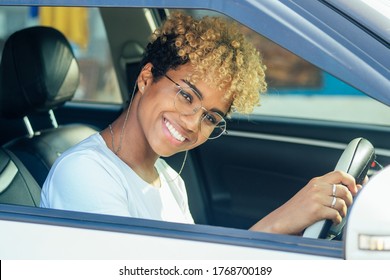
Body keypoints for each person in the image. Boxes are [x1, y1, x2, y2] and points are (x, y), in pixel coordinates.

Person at [40, 12, 361, 235]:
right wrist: (277, 223)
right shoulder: (85, 174)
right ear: (146, 77)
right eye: (187, 96)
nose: (194, 124)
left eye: (211, 117)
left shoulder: (169, 182)